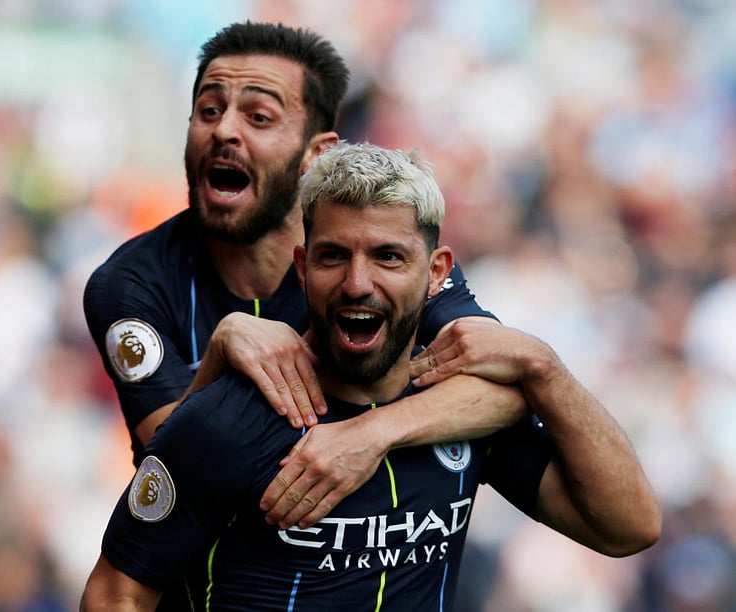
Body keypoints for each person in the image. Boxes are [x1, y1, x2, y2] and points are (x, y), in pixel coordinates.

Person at [80, 142, 661, 611]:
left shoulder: (462, 411)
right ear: (303, 267)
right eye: (334, 256)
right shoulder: (226, 421)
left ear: (436, 273)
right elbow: (116, 591)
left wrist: (546, 369)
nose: (358, 283)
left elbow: (627, 527)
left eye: (388, 257)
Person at [83, 20, 525, 531]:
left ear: (317, 154)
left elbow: (505, 387)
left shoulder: (382, 266)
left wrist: (371, 433)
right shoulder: (130, 284)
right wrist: (221, 355)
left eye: (259, 116)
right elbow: (174, 476)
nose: (224, 130)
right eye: (208, 111)